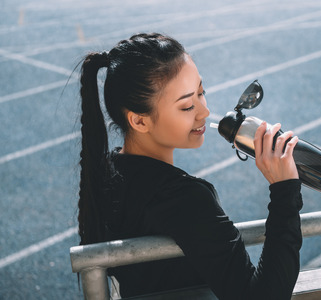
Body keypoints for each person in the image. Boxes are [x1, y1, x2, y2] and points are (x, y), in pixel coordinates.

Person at [77, 32, 303, 299]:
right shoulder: (183, 199)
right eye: (186, 106)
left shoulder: (107, 174)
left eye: (201, 92)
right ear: (139, 121)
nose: (204, 111)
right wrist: (285, 191)